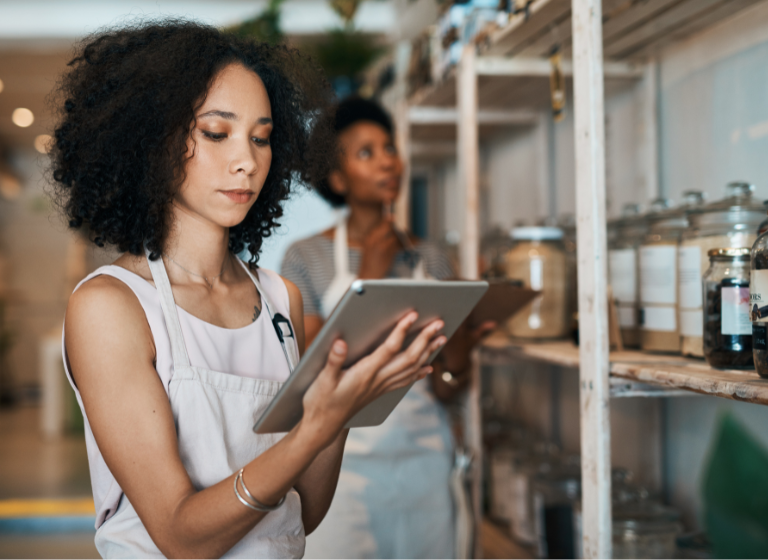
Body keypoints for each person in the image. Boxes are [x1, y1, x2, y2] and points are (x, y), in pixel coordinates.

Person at [53, 23, 448, 559]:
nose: (248, 160)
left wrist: (345, 407)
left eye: (261, 137)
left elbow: (302, 513)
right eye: (217, 133)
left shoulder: (282, 299)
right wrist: (319, 426)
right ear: (151, 142)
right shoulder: (111, 306)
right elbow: (181, 537)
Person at [281, 97, 492, 559]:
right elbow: (313, 371)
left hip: (424, 463)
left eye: (389, 148)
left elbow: (449, 386)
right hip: (340, 468)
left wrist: (461, 339)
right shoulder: (305, 258)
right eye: (366, 153)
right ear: (338, 179)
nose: (387, 161)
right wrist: (370, 278)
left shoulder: (432, 258)